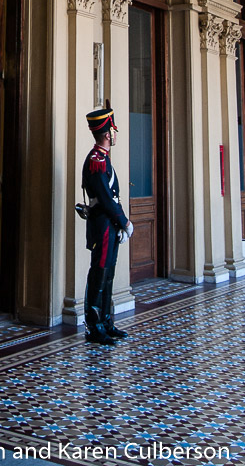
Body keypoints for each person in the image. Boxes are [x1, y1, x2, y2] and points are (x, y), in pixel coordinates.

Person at [82, 102, 133, 345]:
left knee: (109, 273)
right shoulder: (96, 160)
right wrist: (124, 222)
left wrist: (119, 224)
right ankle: (94, 326)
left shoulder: (103, 159)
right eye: (113, 130)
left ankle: (106, 321)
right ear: (106, 133)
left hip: (109, 223)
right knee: (99, 272)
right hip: (102, 223)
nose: (115, 134)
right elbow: (104, 198)